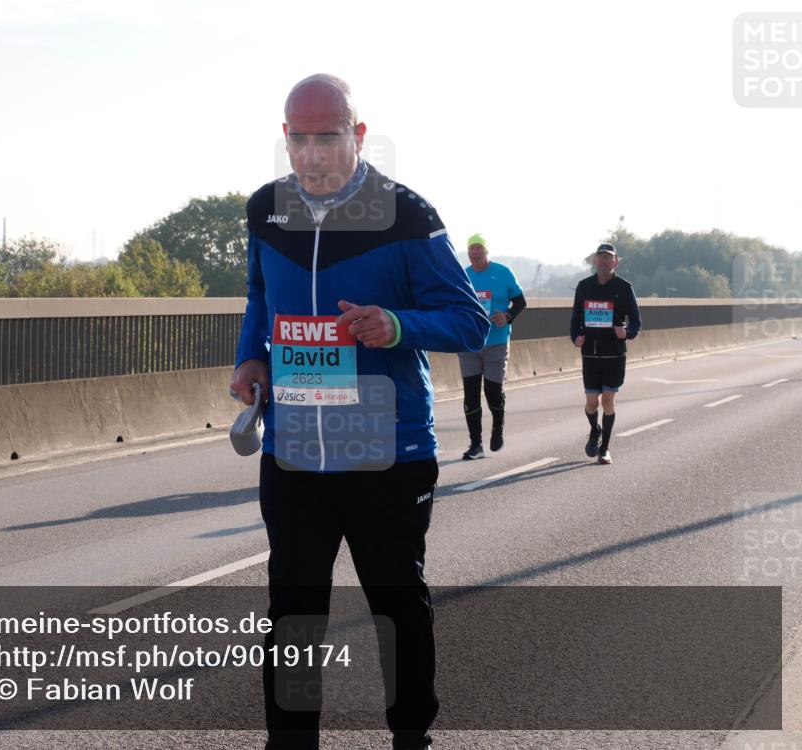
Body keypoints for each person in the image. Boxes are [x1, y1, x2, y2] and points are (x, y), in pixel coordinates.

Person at [230, 74, 489, 750]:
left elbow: (469, 319)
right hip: (295, 451)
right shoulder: (265, 210)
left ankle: (411, 737)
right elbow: (259, 297)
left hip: (387, 452)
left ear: (360, 135)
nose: (312, 154)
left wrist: (396, 325)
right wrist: (250, 358)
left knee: (396, 605)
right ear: (285, 137)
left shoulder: (406, 214)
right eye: (300, 139)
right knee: (293, 611)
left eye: (329, 137)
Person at [569, 242, 641, 465]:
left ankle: (605, 449)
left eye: (609, 257)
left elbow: (636, 322)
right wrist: (576, 337)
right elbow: (575, 319)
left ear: (616, 261)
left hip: (614, 354)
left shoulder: (624, 287)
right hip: (590, 353)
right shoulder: (584, 287)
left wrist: (626, 332)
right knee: (592, 403)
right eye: (601, 257)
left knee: (608, 400)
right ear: (595, 260)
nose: (604, 261)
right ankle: (595, 429)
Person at [458, 234, 527, 459]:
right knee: (470, 394)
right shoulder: (463, 276)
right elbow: (454, 305)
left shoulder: (503, 272)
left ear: (486, 251)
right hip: (469, 343)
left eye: (479, 248)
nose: (475, 252)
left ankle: (498, 427)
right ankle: (475, 444)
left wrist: (507, 316)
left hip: (496, 342)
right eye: (471, 249)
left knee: (492, 392)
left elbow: (521, 302)